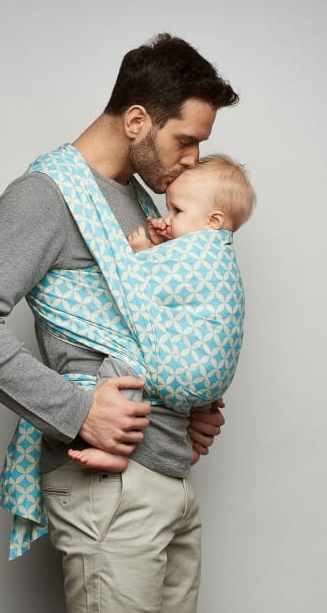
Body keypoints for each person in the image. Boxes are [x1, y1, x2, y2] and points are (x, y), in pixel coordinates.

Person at [0, 34, 239, 613]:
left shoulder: (141, 202)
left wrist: (191, 402)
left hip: (167, 475)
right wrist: (78, 412)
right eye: (185, 140)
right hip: (109, 487)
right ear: (137, 121)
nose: (193, 159)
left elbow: (156, 322)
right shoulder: (46, 196)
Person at [68, 153, 256, 473]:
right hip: (210, 374)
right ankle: (192, 442)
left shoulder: (198, 253)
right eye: (168, 209)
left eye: (177, 211)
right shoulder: (220, 257)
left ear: (213, 221)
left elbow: (139, 286)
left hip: (185, 369)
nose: (167, 218)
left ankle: (114, 448)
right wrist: (162, 244)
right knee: (183, 397)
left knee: (125, 367)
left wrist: (142, 252)